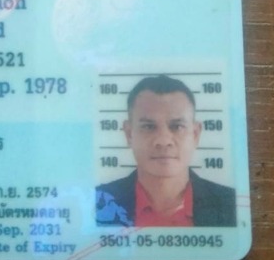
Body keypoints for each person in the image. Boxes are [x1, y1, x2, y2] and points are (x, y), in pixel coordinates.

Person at [95, 74, 236, 228]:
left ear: (195, 134)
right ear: (129, 134)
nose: (163, 141)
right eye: (148, 127)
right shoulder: (96, 203)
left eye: (177, 126)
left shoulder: (231, 206)